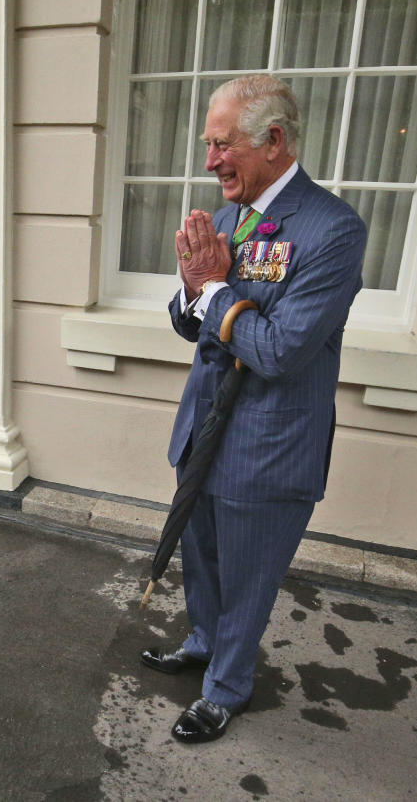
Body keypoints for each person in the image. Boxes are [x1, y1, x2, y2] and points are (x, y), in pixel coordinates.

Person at [142, 75, 366, 744]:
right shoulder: (234, 215)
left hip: (268, 444)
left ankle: (227, 688)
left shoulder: (333, 229)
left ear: (272, 141)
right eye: (207, 144)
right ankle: (205, 643)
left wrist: (213, 290)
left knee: (247, 576)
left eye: (222, 145)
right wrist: (192, 293)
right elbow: (197, 325)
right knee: (203, 557)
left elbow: (278, 351)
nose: (210, 161)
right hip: (205, 430)